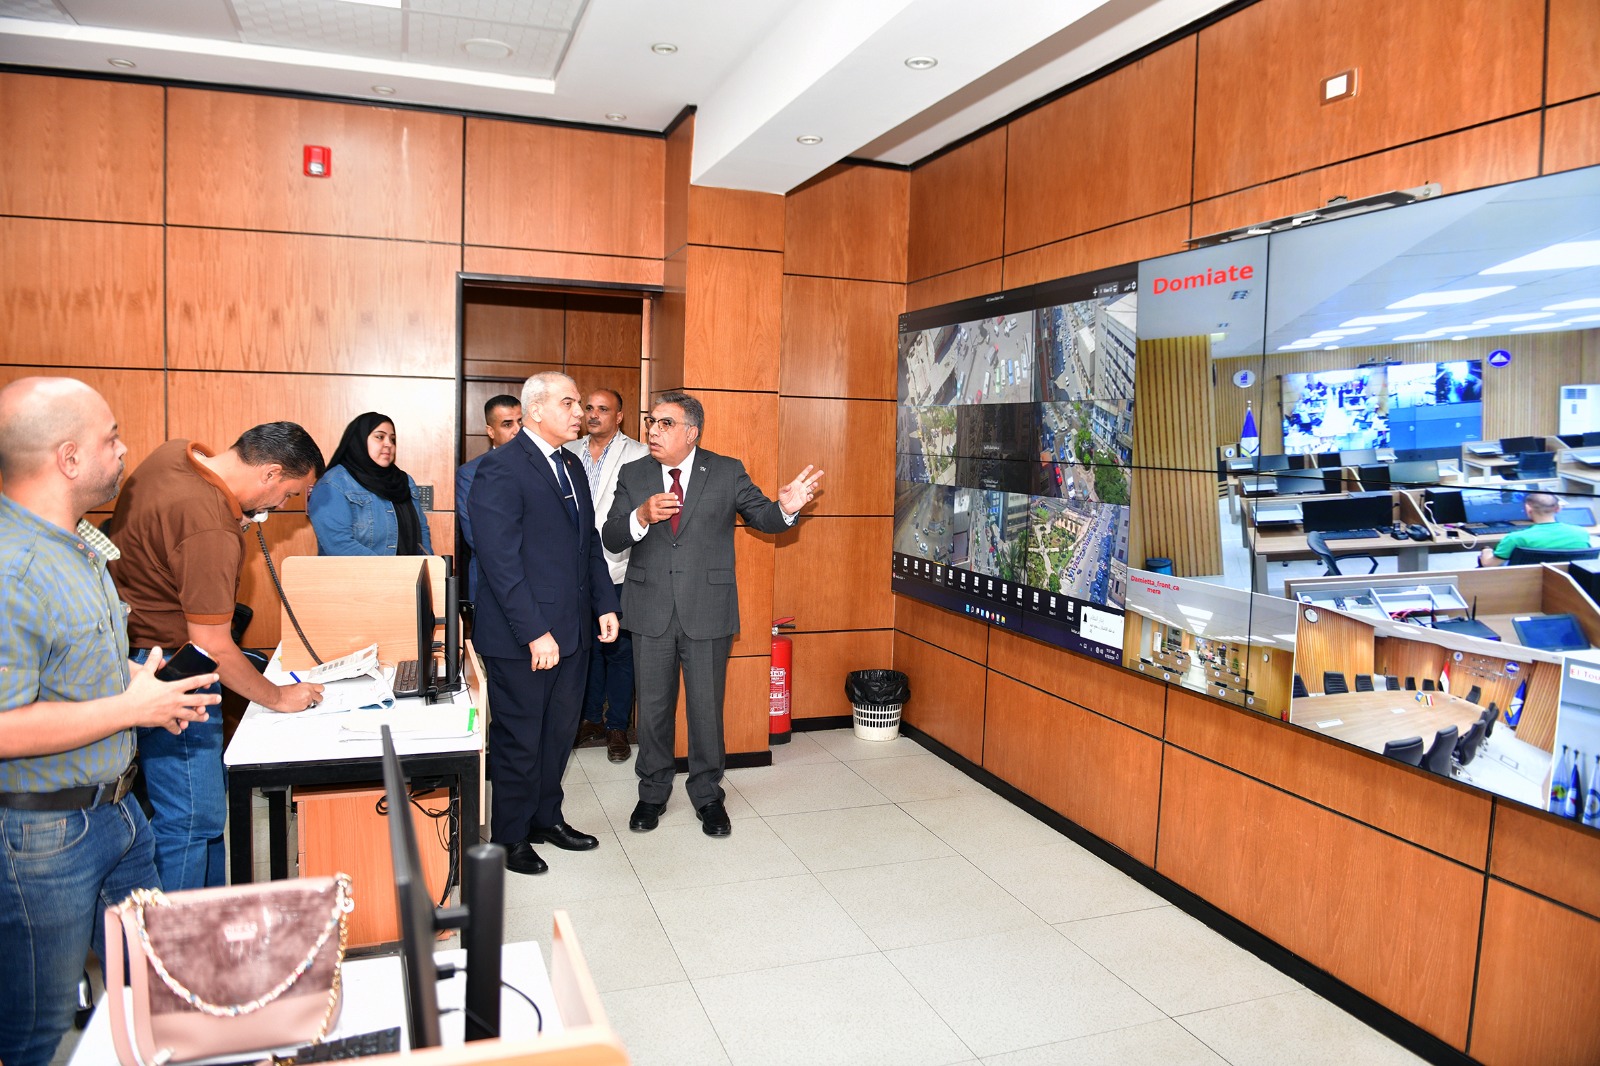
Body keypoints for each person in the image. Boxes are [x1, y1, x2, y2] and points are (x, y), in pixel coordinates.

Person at [0, 377, 218, 1066]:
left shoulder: (78, 543)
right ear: (67, 459)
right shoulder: (12, 569)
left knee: (152, 991)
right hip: (43, 835)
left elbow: (75, 655)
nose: (124, 451)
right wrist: (130, 709)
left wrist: (142, 686)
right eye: (111, 438)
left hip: (120, 813)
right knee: (34, 1033)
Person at [107, 423, 325, 891]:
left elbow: (169, 533)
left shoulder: (174, 455)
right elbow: (214, 647)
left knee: (193, 815)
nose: (281, 506)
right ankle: (184, 934)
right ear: (270, 473)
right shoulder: (209, 526)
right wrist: (278, 697)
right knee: (193, 819)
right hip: (177, 668)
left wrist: (233, 516)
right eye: (289, 493)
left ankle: (209, 914)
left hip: (132, 651)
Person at [603, 391, 822, 837]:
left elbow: (763, 517)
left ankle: (707, 795)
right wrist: (640, 516)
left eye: (665, 423)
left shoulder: (725, 470)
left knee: (706, 709)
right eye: (651, 422)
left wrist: (787, 508)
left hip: (707, 608)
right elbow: (611, 535)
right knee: (654, 710)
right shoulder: (634, 473)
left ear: (692, 432)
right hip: (650, 608)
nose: (653, 431)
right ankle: (652, 793)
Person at [468, 372, 619, 875]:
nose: (580, 413)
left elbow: (587, 543)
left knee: (558, 734)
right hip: (523, 636)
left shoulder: (571, 463)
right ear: (535, 411)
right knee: (520, 738)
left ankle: (545, 818)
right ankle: (510, 836)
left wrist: (605, 604)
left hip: (573, 630)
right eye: (569, 403)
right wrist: (535, 632)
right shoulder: (500, 468)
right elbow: (500, 563)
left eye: (580, 403)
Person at [566, 389, 649, 762]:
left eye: (603, 409)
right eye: (589, 408)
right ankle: (590, 720)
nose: (593, 414)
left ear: (619, 416)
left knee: (619, 650)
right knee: (587, 648)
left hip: (619, 566)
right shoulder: (568, 451)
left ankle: (617, 725)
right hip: (574, 570)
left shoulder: (639, 454)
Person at [308, 412, 433, 556]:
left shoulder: (404, 481)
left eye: (392, 439)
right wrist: (390, 569)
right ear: (359, 440)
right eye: (380, 437)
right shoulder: (333, 484)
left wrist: (429, 564)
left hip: (410, 570)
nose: (389, 444)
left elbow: (422, 532)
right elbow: (339, 544)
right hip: (358, 571)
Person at [455, 394, 523, 600]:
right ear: (491, 431)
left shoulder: (541, 467)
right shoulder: (470, 474)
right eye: (507, 424)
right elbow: (476, 537)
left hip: (537, 581)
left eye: (520, 421)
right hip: (489, 582)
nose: (517, 430)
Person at [1479, 492, 1591, 566]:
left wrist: (1486, 551)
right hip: (1570, 585)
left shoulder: (1515, 538)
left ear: (1528, 509)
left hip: (1525, 586)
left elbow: (1489, 564)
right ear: (1558, 509)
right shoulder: (1581, 533)